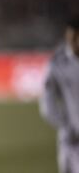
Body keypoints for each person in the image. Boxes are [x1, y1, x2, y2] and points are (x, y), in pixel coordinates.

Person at [39, 16, 79, 173]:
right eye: (72, 36)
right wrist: (65, 126)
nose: (75, 41)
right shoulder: (58, 63)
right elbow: (47, 102)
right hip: (72, 140)